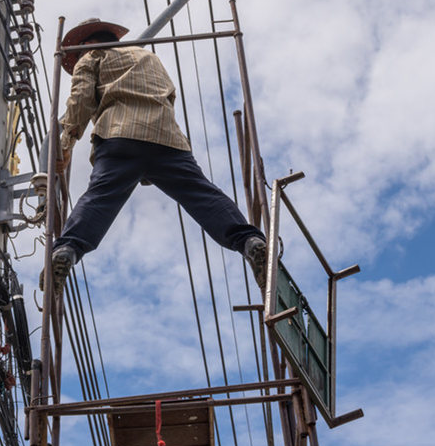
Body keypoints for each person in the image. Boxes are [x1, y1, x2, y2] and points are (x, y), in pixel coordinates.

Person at [42, 18, 267, 297]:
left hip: (118, 136)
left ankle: (67, 248)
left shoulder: (92, 56)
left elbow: (81, 98)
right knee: (202, 194)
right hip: (168, 140)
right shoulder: (148, 57)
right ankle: (249, 240)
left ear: (87, 43)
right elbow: (169, 97)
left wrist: (66, 142)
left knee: (100, 196)